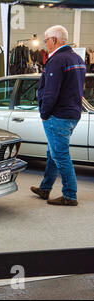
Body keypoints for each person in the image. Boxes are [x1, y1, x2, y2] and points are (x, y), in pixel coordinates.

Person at [30, 25, 86, 206]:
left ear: (54, 40)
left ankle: (70, 195)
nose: (45, 44)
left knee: (60, 155)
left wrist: (44, 113)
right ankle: (45, 188)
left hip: (58, 115)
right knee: (52, 152)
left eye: (46, 40)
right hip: (72, 113)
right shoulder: (77, 58)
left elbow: (50, 92)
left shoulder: (57, 60)